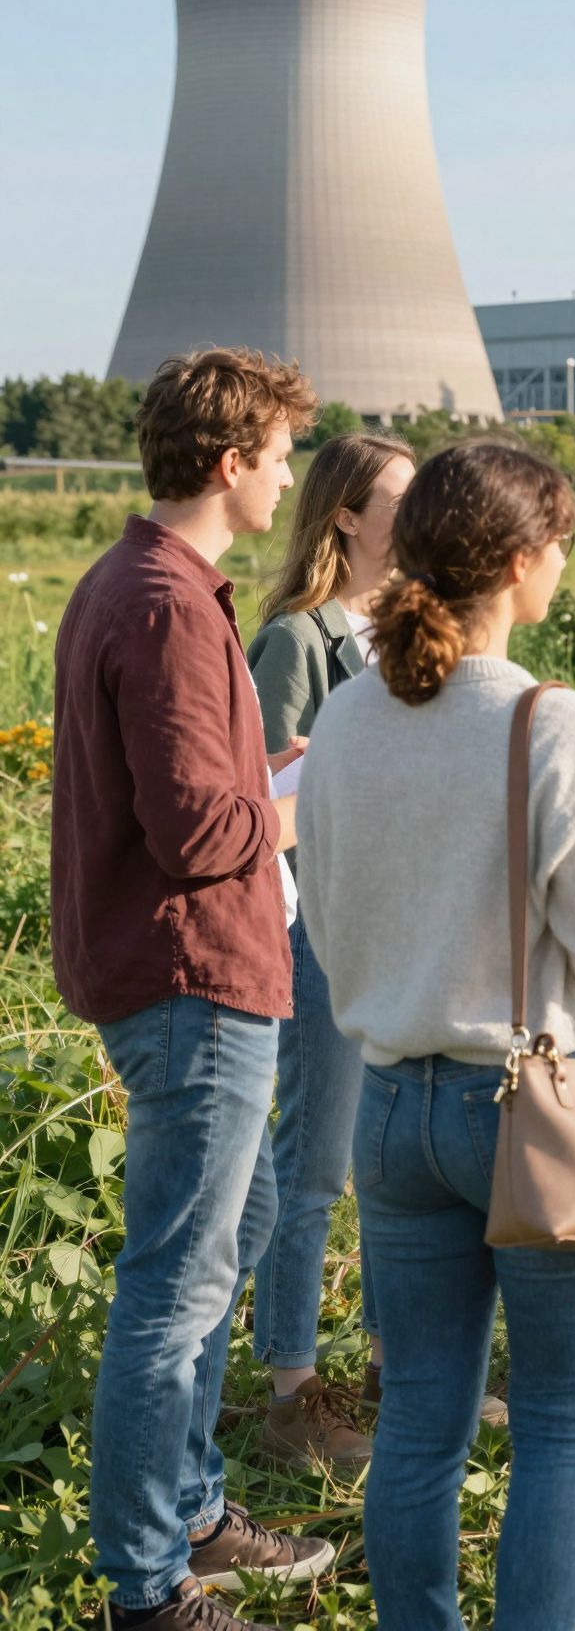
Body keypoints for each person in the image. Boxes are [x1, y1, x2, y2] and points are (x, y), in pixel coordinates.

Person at [296, 439, 575, 1631]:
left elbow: (331, 925)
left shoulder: (347, 716)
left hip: (393, 1099)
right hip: (538, 1096)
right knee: (563, 1420)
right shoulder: (549, 723)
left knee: (417, 1416)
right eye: (559, 544)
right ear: (520, 561)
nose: (563, 564)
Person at [51, 349, 334, 1631]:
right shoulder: (166, 601)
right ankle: (147, 1588)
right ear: (231, 462)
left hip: (183, 969)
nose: (288, 480)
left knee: (240, 1226)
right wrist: (290, 801)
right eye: (279, 456)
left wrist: (269, 763)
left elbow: (183, 784)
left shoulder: (140, 582)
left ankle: (196, 1509)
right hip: (193, 973)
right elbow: (194, 831)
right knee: (175, 1281)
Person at [243, 430, 415, 1469]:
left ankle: (401, 1367)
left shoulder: (416, 626)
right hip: (323, 926)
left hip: (409, 921)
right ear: (346, 514)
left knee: (398, 1161)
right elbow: (261, 807)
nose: (422, 506)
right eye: (401, 494)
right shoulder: (297, 640)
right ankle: (291, 1389)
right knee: (316, 1163)